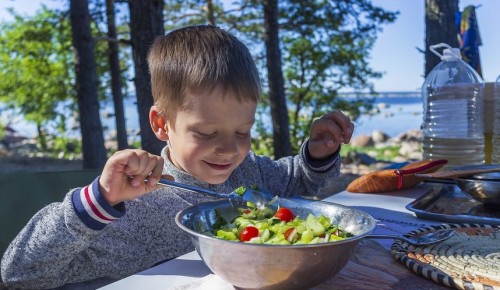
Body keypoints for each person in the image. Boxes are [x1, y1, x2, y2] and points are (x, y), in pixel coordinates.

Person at [1, 25, 353, 289]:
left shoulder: (250, 176)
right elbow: (19, 273)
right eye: (206, 133)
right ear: (161, 124)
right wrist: (99, 201)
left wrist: (317, 155)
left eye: (242, 131)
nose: (230, 149)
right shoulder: (134, 209)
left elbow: (300, 182)